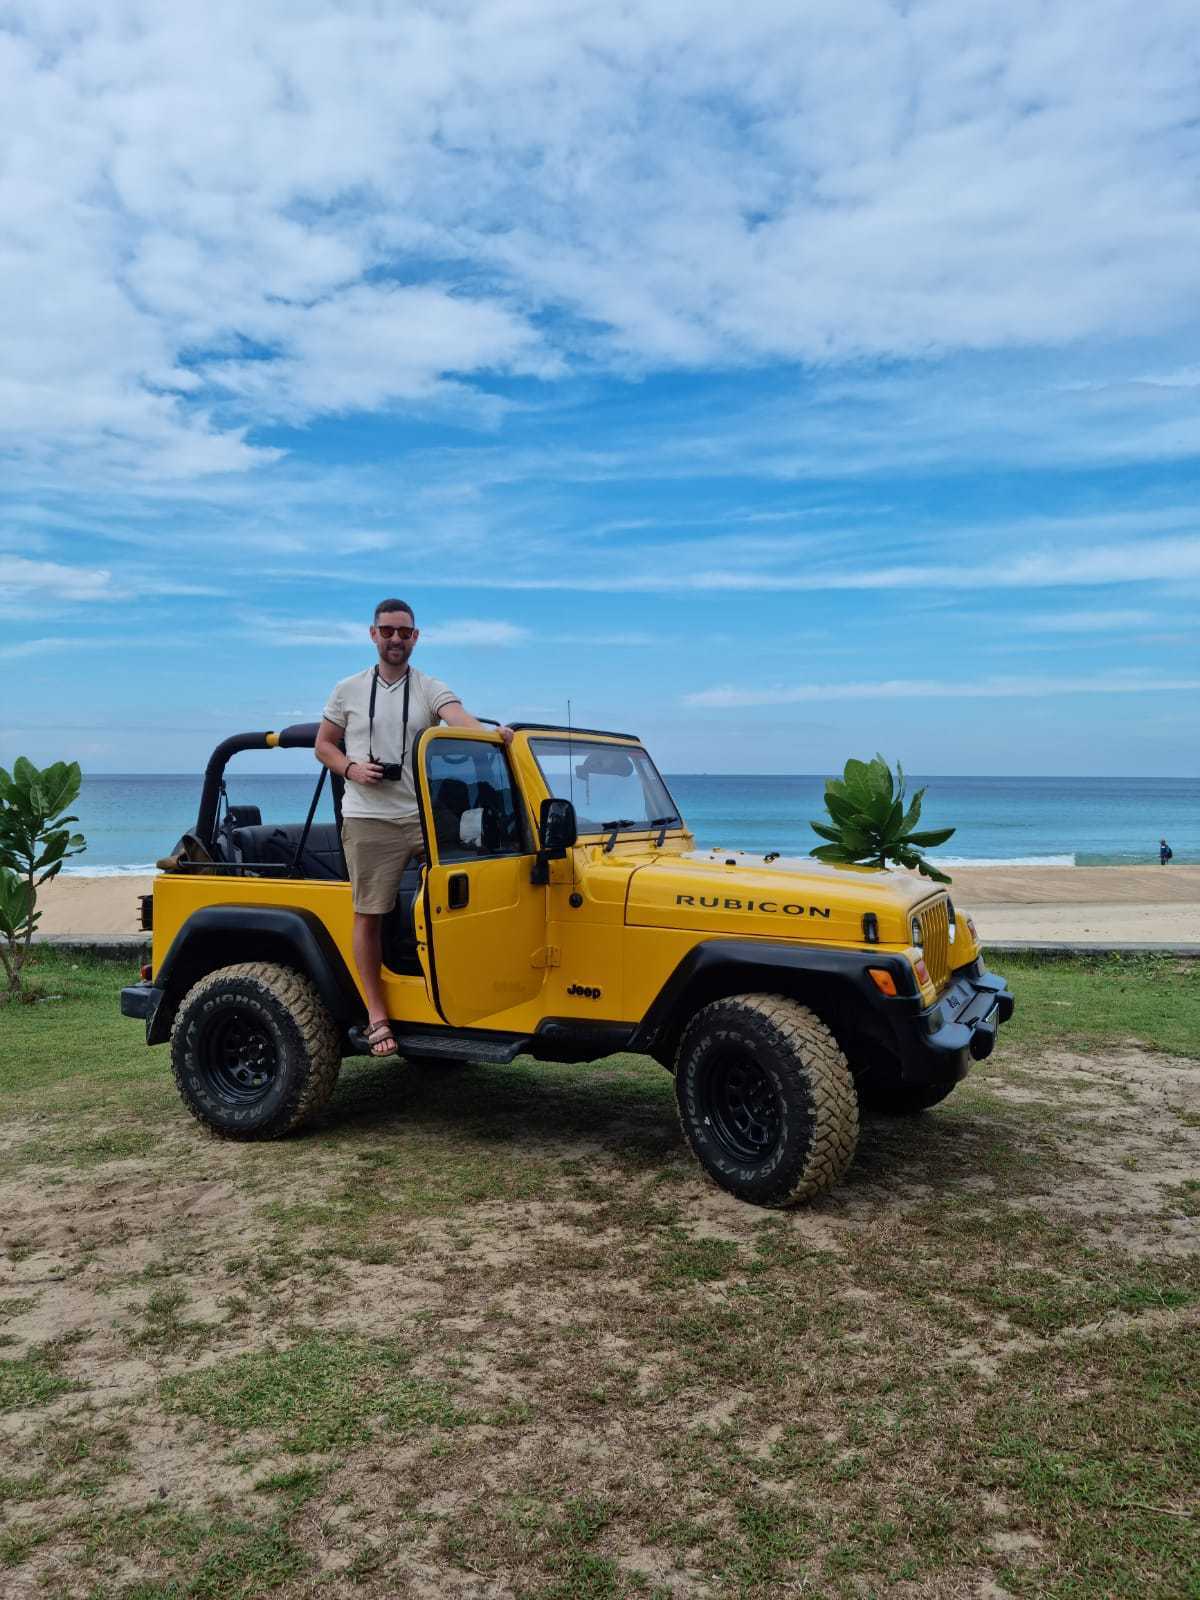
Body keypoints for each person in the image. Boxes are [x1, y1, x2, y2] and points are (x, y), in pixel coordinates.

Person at [315, 598, 511, 1057]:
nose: (396, 639)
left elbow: (458, 718)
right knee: (370, 914)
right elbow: (324, 745)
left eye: (404, 632)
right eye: (387, 631)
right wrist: (350, 769)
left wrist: (490, 734)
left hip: (422, 818)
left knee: (472, 894)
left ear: (416, 636)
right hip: (367, 817)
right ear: (372, 634)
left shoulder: (427, 687)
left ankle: (463, 996)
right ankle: (377, 1015)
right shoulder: (347, 689)